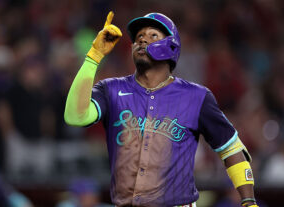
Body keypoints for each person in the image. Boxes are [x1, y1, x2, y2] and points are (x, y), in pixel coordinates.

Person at [64, 11, 258, 207]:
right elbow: (75, 117)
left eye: (152, 36)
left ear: (171, 46)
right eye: (139, 37)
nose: (142, 41)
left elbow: (230, 148)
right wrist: (94, 56)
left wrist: (248, 201)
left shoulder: (197, 96)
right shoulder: (111, 89)